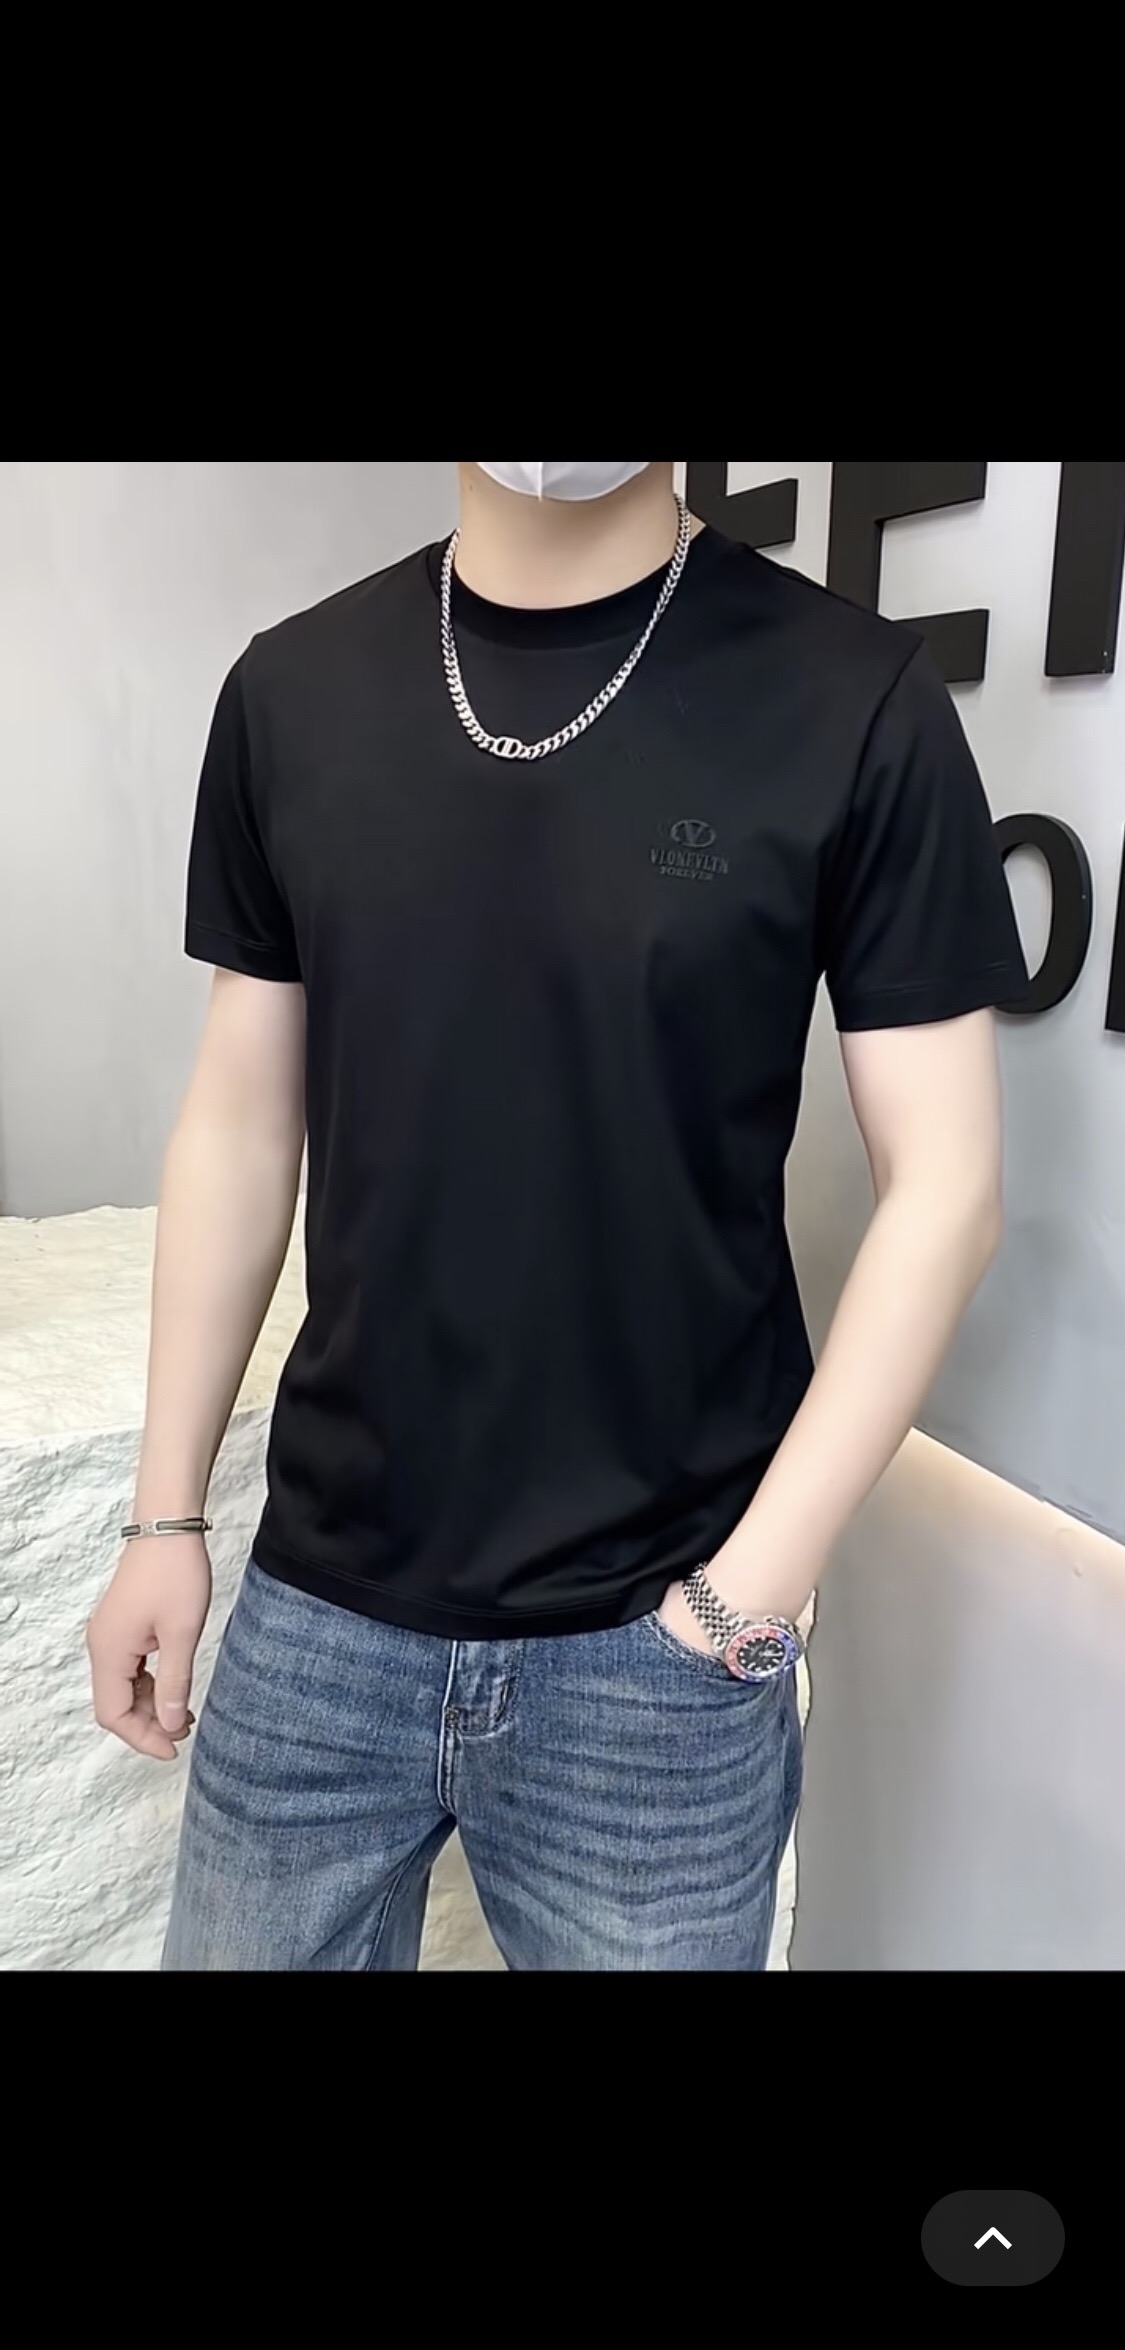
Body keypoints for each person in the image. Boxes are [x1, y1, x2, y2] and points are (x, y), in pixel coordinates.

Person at [85, 459, 1030, 1971]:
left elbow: (950, 1187)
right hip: (318, 1615)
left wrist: (743, 1601)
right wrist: (166, 1513)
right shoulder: (292, 691)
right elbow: (243, 1125)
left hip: (658, 1654)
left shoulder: (851, 698)